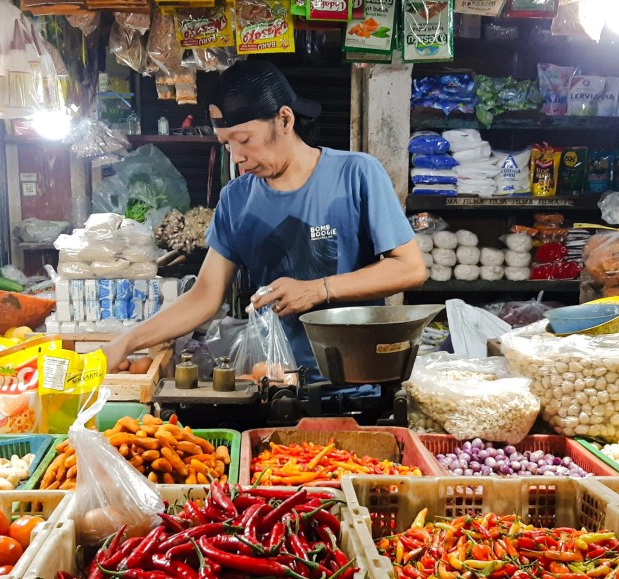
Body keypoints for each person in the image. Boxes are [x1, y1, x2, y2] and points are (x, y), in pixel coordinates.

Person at [102, 60, 426, 383]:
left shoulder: (356, 174)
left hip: (360, 381)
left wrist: (319, 290)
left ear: (284, 119)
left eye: (244, 139)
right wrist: (124, 342)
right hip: (276, 383)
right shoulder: (235, 199)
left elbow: (409, 268)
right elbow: (204, 297)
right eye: (227, 144)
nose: (237, 156)